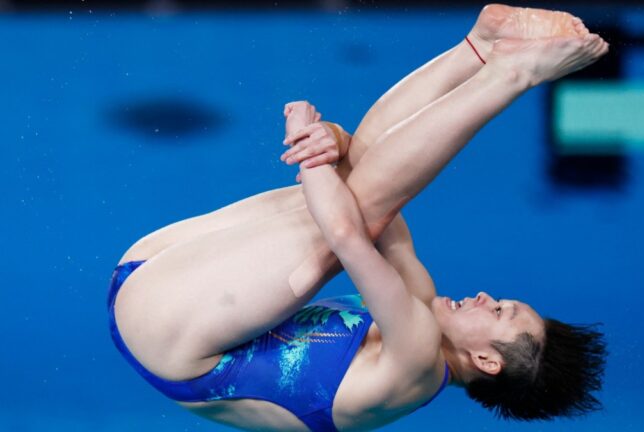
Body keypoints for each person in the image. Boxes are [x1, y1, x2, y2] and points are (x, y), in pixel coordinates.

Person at [107, 5, 609, 431]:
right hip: (158, 290)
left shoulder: (413, 364)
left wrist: (308, 149)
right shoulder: (422, 309)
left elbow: (348, 234)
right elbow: (379, 186)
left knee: (354, 212)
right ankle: (478, 47)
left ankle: (512, 72)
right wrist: (335, 142)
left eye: (497, 311)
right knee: (360, 185)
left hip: (166, 333)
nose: (485, 296)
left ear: (486, 361)